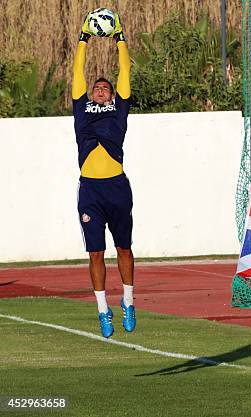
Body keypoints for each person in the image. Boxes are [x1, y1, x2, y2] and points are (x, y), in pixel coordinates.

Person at [72, 12, 136, 338]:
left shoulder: (119, 107)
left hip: (117, 187)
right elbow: (77, 74)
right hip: (90, 190)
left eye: (105, 87)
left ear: (112, 95)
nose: (99, 88)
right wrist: (83, 38)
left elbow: (125, 71)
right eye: (96, 86)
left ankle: (128, 300)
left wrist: (119, 37)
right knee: (95, 253)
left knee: (123, 248)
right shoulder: (81, 109)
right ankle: (102, 309)